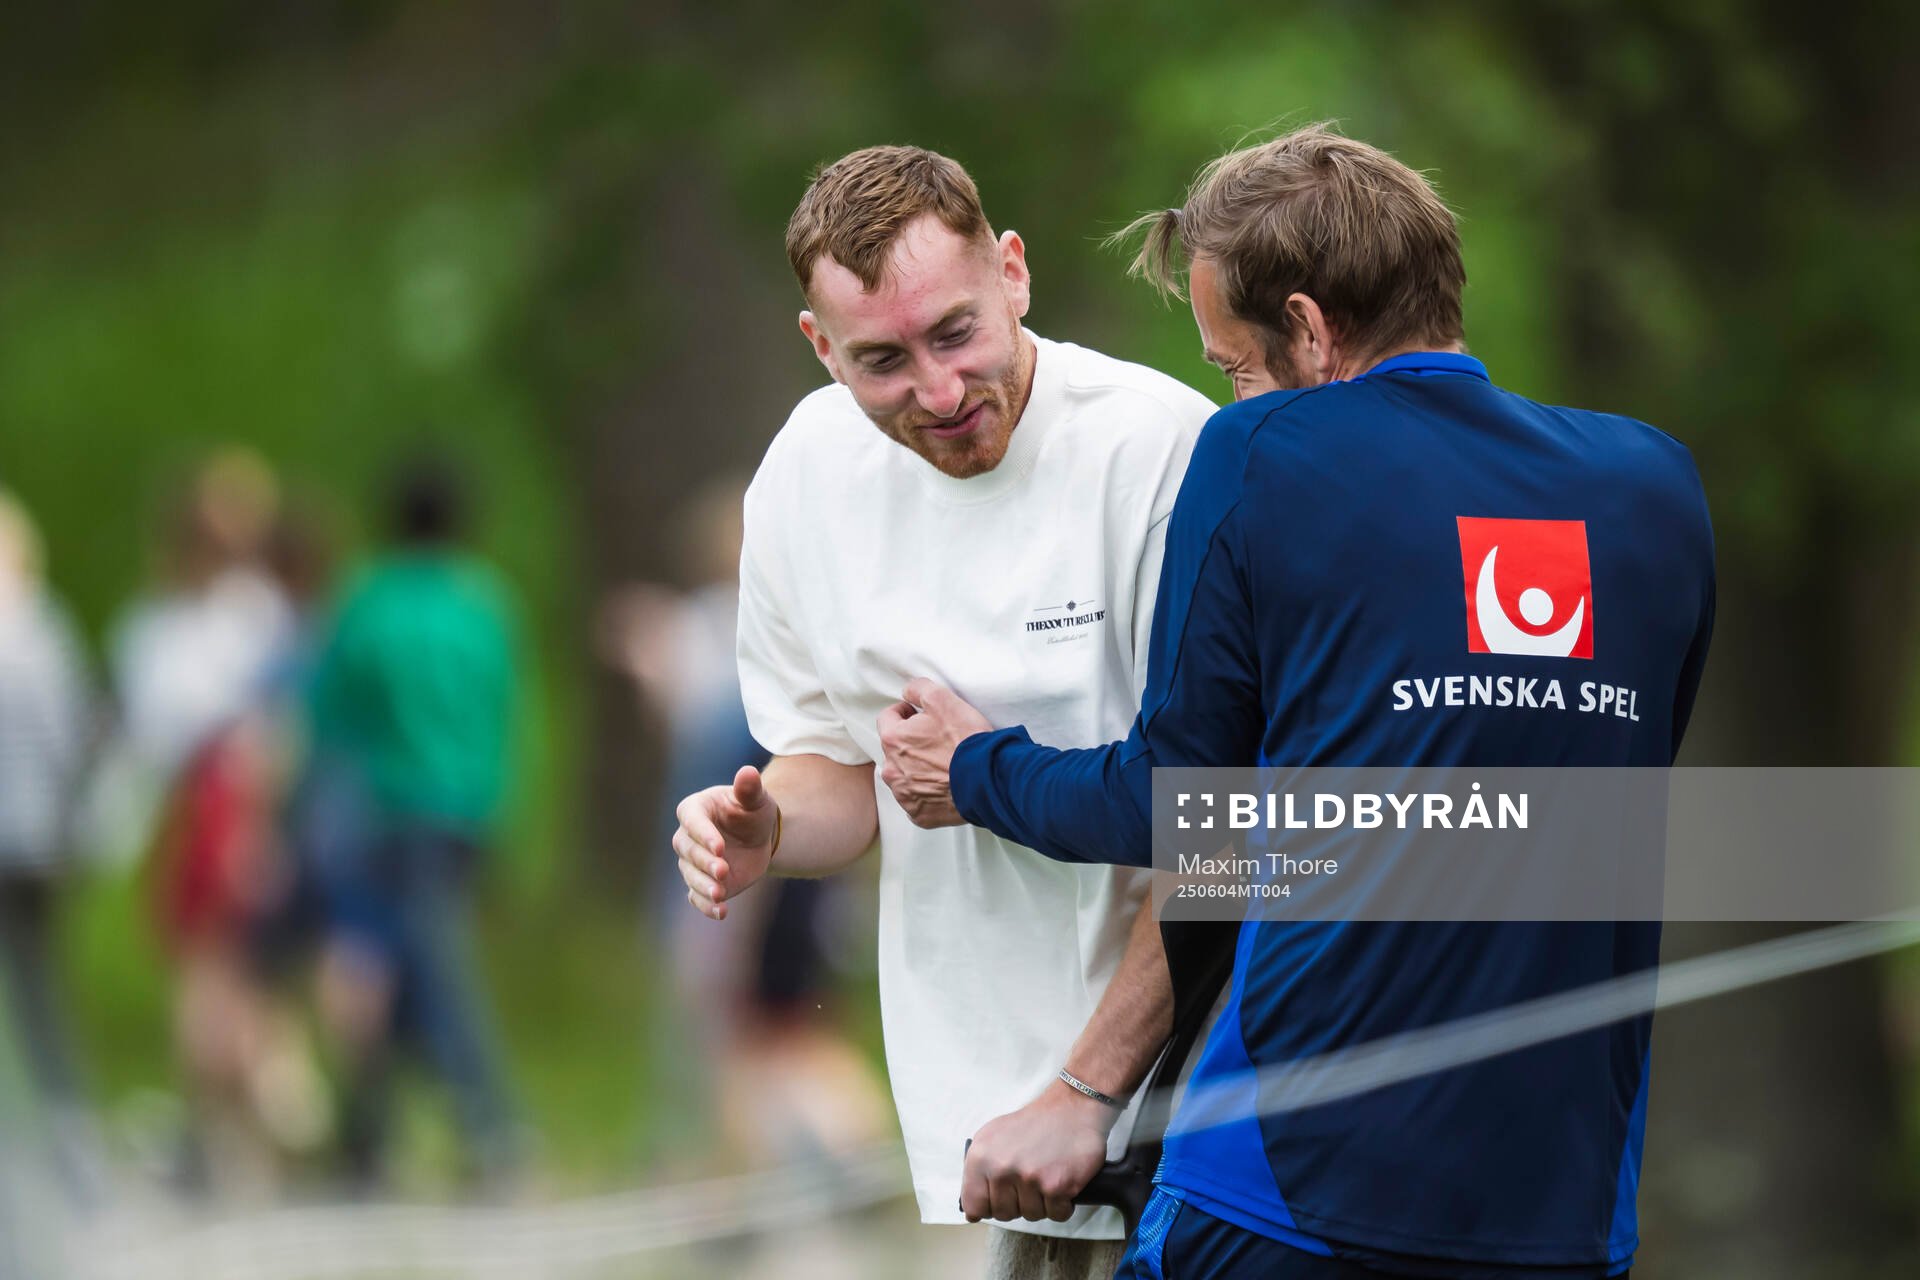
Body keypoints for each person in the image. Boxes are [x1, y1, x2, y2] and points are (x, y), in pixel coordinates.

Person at [879, 125, 1716, 1278]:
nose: (1236, 391)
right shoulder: (1655, 487)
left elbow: (1176, 799)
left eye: (1235, 363)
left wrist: (978, 770)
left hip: (1289, 1185)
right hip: (1563, 1207)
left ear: (1311, 332)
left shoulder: (1266, 449)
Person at [669, 145, 1216, 1279]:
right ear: (821, 349)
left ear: (1012, 273)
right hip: (987, 1107)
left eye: (955, 332)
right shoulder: (804, 478)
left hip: (1183, 1098)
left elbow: (1230, 824)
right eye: (880, 359)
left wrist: (1093, 1085)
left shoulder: (1159, 448)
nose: (937, 389)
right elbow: (836, 769)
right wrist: (768, 829)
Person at [306, 456, 523, 1188]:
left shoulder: (372, 600)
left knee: (422, 969)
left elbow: (329, 710)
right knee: (410, 966)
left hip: (394, 808)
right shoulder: (484, 604)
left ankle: (491, 1131)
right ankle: (368, 1138)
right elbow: (502, 706)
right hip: (470, 810)